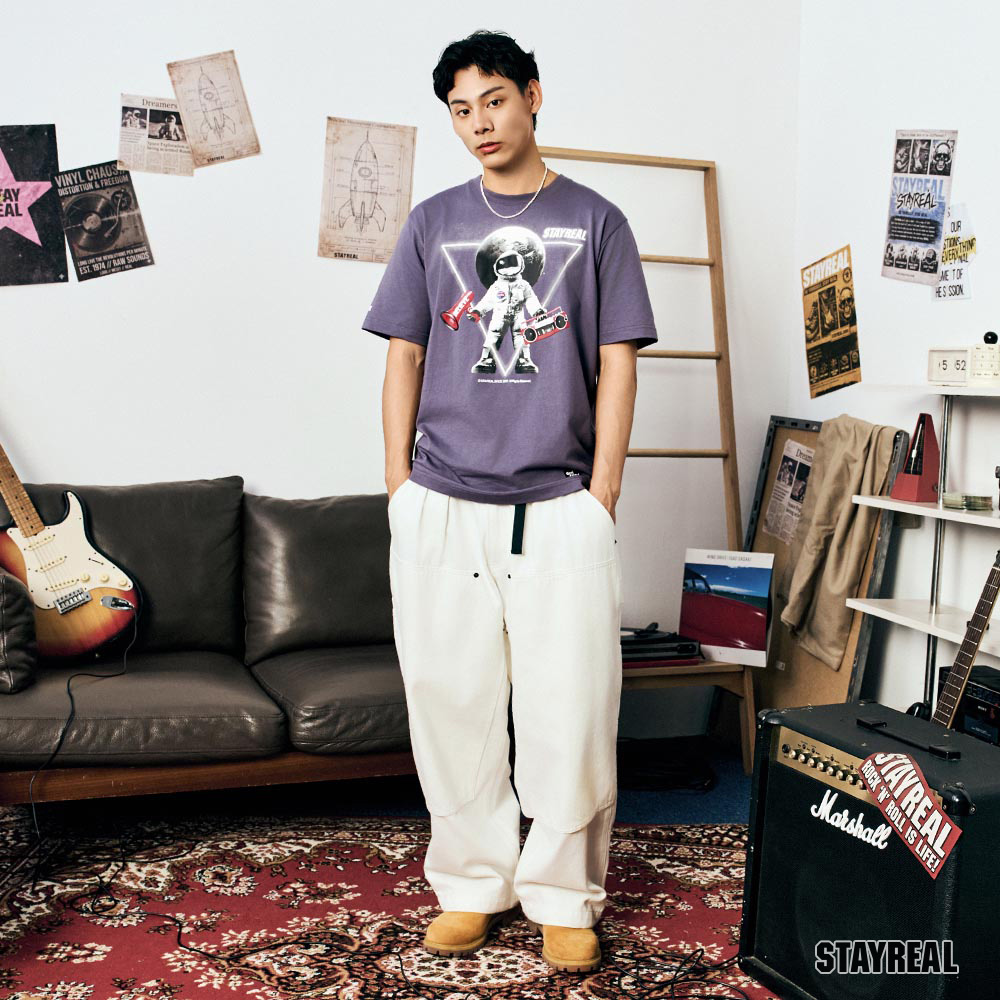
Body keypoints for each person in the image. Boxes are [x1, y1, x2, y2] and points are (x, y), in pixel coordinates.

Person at [361, 29, 658, 974]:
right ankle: (471, 886)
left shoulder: (598, 220)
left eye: (493, 99)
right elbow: (405, 353)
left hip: (561, 502)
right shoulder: (431, 222)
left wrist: (603, 490)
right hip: (441, 502)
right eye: (460, 109)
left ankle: (565, 895)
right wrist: (399, 484)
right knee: (450, 703)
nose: (479, 123)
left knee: (571, 710)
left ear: (532, 95)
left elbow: (617, 361)